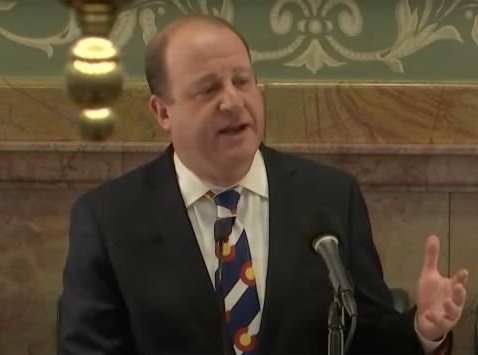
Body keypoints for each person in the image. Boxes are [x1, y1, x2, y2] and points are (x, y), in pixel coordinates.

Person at [59, 15, 468, 354]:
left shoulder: (327, 197)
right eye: (208, 89)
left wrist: (422, 327)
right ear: (162, 111)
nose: (233, 101)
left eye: (242, 81)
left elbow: (367, 337)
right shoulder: (109, 218)